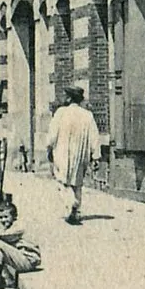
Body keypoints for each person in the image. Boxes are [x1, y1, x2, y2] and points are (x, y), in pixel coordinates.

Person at [44, 86, 101, 224]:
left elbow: (52, 134)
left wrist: (49, 146)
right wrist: (96, 155)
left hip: (63, 152)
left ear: (69, 98)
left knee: (62, 181)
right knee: (77, 183)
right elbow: (95, 136)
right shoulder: (87, 115)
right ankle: (76, 210)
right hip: (81, 154)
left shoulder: (61, 113)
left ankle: (70, 204)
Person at [0, 192, 41, 289]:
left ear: (14, 217)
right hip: (22, 258)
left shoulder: (19, 225)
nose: (3, 220)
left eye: (6, 217)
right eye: (1, 218)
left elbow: (7, 236)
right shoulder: (9, 226)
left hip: (28, 261)